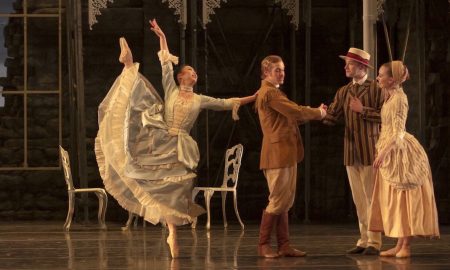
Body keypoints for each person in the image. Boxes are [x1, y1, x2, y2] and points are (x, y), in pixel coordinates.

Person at [95, 19, 257, 258]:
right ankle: (128, 65)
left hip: (182, 146)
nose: (195, 74)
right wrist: (161, 36)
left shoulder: (200, 99)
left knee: (177, 187)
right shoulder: (171, 88)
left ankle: (172, 231)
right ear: (182, 76)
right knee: (141, 153)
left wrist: (253, 96)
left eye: (196, 73)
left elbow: (226, 103)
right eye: (191, 71)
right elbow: (165, 63)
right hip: (161, 139)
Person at [255, 55, 327, 258]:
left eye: (283, 69)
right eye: (277, 70)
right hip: (277, 154)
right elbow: (294, 112)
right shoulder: (269, 93)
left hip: (286, 152)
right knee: (277, 200)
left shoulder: (274, 92)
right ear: (266, 72)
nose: (282, 73)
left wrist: (315, 114)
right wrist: (318, 113)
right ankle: (263, 245)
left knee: (285, 201)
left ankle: (284, 245)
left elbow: (288, 119)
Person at [369, 60, 440, 258]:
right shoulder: (390, 96)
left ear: (392, 79)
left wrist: (383, 153)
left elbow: (399, 131)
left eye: (382, 75)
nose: (378, 78)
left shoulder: (400, 98)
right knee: (396, 199)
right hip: (388, 148)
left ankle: (406, 245)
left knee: (405, 198)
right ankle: (400, 243)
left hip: (399, 151)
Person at [323, 48, 383, 255]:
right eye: (346, 63)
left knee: (371, 198)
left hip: (370, 151)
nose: (345, 67)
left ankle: (375, 242)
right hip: (351, 152)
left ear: (362, 67)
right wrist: (318, 113)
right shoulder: (343, 91)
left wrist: (363, 110)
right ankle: (364, 239)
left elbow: (387, 116)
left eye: (350, 64)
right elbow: (332, 117)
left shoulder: (376, 88)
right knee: (359, 199)